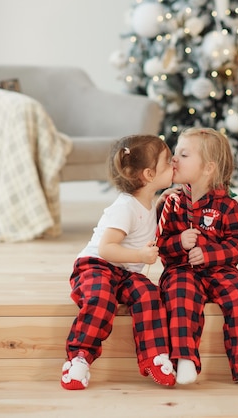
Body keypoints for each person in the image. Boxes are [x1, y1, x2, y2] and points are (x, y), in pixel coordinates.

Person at [156, 127, 238, 390]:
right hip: (181, 269)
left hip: (220, 269)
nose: (174, 159)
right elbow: (160, 244)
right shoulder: (172, 203)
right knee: (180, 294)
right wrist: (179, 242)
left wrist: (209, 254)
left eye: (183, 155)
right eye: (175, 153)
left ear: (208, 168)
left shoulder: (228, 206)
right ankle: (184, 358)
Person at [61, 134, 177, 390]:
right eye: (168, 162)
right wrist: (140, 257)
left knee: (149, 294)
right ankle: (78, 358)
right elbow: (107, 248)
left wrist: (162, 200)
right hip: (96, 265)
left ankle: (154, 356)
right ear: (148, 174)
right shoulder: (124, 207)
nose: (174, 164)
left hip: (124, 273)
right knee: (102, 300)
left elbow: (146, 221)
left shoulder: (147, 202)